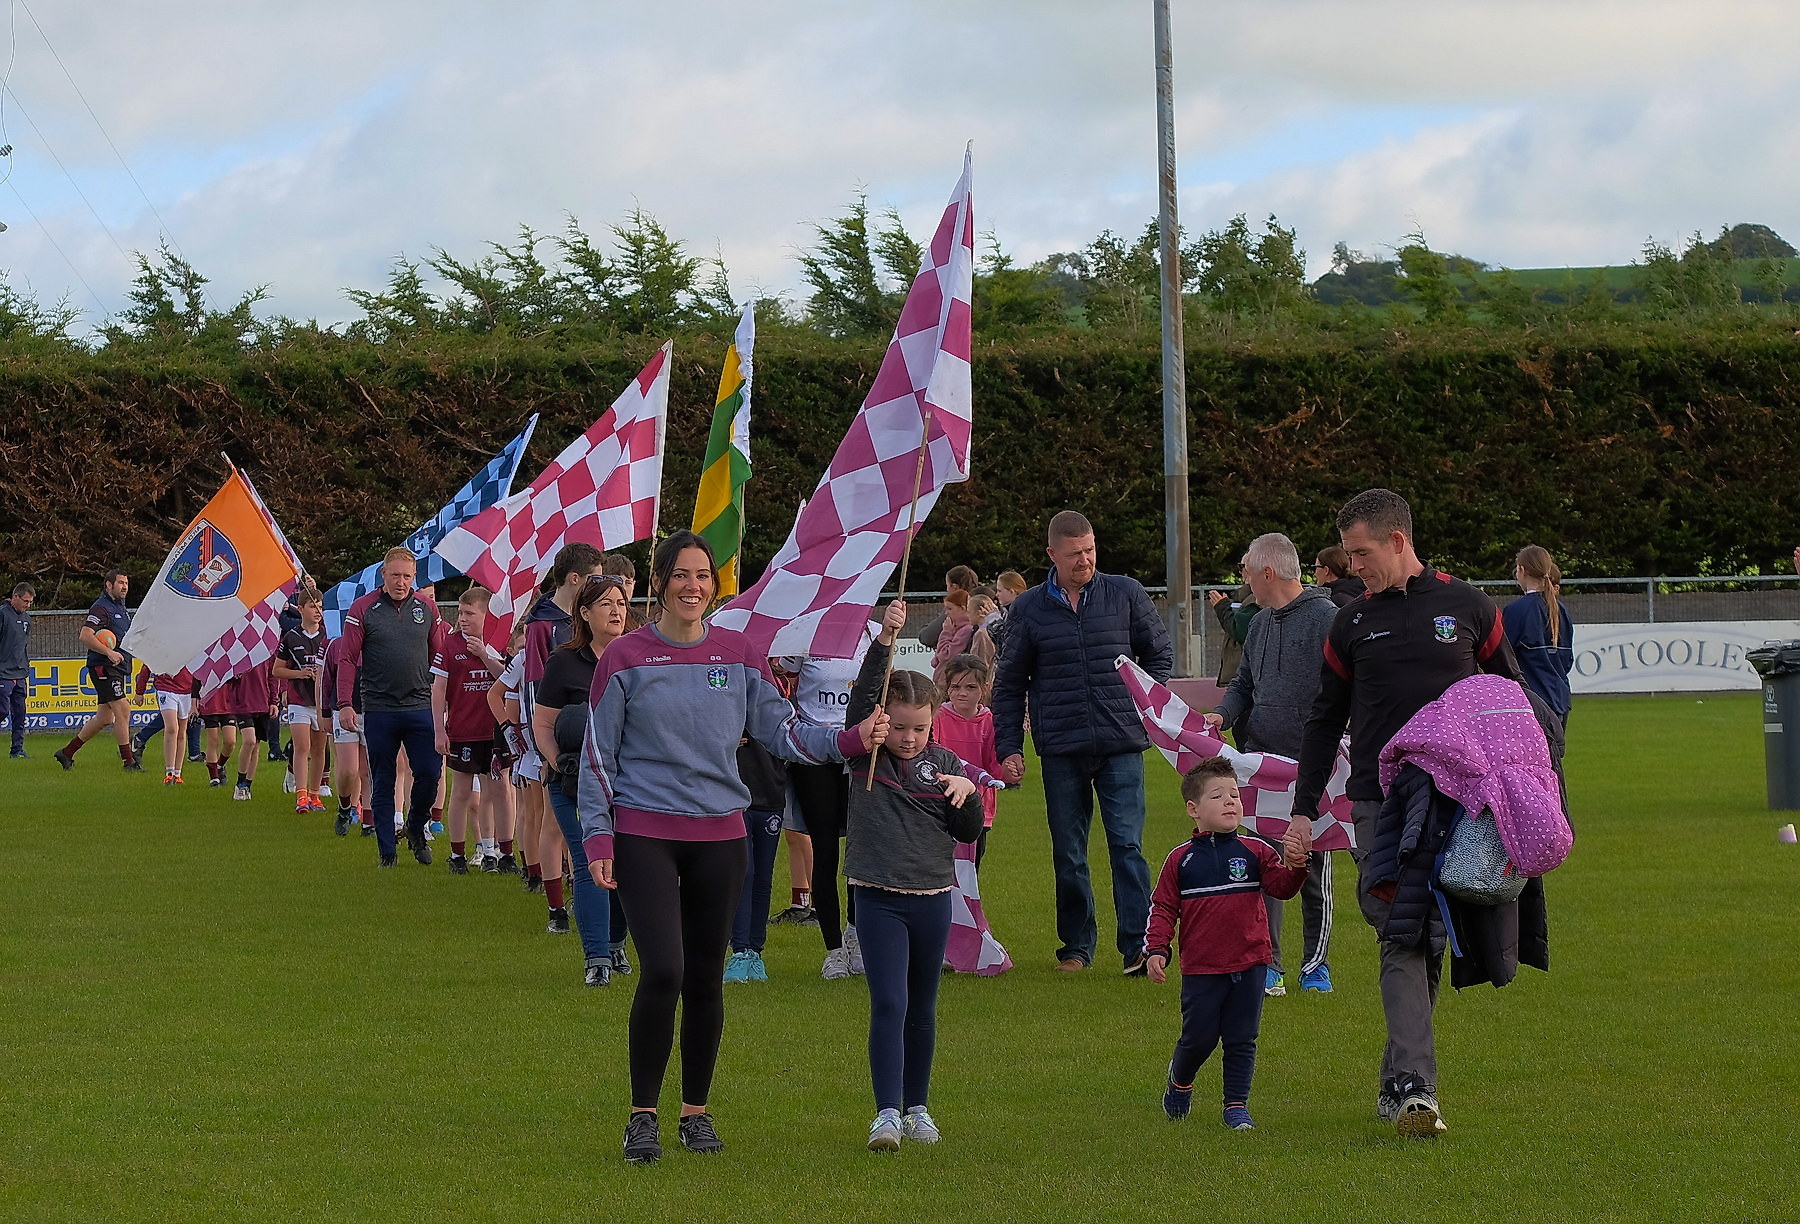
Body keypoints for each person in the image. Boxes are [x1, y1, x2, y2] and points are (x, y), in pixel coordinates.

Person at [577, 530, 889, 1164]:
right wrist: (597, 832)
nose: (693, 586)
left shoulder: (741, 654)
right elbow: (597, 756)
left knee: (705, 978)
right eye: (681, 574)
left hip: (722, 835)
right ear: (659, 582)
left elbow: (785, 734)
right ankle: (642, 1115)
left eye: (703, 576)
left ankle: (695, 1110)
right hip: (644, 833)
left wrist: (851, 741)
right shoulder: (626, 657)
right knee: (663, 970)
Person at [1285, 488, 1526, 1138]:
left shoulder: (1468, 606)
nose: (1352, 564)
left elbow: (1512, 701)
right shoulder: (1351, 623)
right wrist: (1303, 812)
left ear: (1397, 541)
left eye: (1361, 552)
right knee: (1400, 928)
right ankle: (1417, 1087)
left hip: (1459, 800)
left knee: (1430, 937)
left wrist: (1535, 789)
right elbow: (1322, 719)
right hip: (1380, 802)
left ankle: (1400, 1082)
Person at [992, 510, 1173, 974]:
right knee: (1068, 853)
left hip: (1121, 744)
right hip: (1061, 747)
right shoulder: (1028, 608)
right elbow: (1010, 683)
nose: (1085, 560)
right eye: (1075, 554)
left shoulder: (1126, 593)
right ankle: (1076, 947)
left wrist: (1146, 706)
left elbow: (1159, 654)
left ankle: (1138, 947)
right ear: (1052, 554)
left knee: (1127, 847)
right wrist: (1008, 746)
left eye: (1090, 550)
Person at [850, 599, 985, 1153]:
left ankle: (918, 1107)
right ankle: (886, 1114)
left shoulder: (946, 766)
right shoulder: (866, 757)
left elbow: (968, 833)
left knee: (923, 1007)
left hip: (932, 898)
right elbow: (864, 699)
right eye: (900, 727)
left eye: (920, 729)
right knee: (890, 1003)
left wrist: (969, 796)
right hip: (877, 896)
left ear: (934, 724)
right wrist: (884, 641)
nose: (909, 738)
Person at [1204, 533, 1340, 997]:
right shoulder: (1258, 624)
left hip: (1312, 765)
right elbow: (1245, 684)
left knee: (1312, 865)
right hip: (1261, 764)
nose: (1242, 580)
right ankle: (1269, 964)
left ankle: (1315, 964)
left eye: (1245, 571)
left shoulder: (1328, 620)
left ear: (1267, 572)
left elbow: (1349, 688)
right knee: (1263, 865)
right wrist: (1222, 714)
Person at [1144, 757, 1307, 1131]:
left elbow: (1281, 888)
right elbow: (1164, 908)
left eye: (1235, 794)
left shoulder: (1257, 852)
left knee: (1241, 1038)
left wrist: (1296, 867)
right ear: (1193, 809)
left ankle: (1235, 1106)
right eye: (1218, 796)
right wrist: (1157, 949)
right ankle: (1180, 1081)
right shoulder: (1179, 860)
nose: (1231, 801)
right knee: (1198, 1039)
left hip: (1251, 963)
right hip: (1203, 968)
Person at [533, 576, 630, 983]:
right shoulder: (563, 662)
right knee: (591, 856)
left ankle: (616, 944)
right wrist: (557, 762)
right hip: (572, 782)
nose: (615, 611)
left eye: (621, 603)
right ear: (585, 614)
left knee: (626, 862)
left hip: (628, 782)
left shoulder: (637, 658)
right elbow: (542, 723)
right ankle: (597, 961)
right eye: (605, 604)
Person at [779, 617, 883, 980]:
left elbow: (880, 687)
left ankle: (856, 938)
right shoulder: (807, 630)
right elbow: (786, 679)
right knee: (824, 849)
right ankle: (833, 949)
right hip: (814, 751)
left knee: (860, 848)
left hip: (860, 748)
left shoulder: (874, 630)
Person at [335, 548, 442, 868]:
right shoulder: (364, 608)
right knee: (382, 779)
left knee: (430, 773)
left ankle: (416, 827)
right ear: (383, 575)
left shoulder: (428, 608)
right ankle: (387, 852)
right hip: (379, 707)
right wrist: (343, 703)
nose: (401, 582)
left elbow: (441, 658)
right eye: (395, 575)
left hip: (420, 704)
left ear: (415, 578)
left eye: (407, 576)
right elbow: (347, 658)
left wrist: (444, 701)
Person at [433, 587, 507, 875]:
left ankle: (496, 852)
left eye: (469, 613)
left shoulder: (496, 642)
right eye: (461, 613)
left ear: (486, 615)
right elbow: (438, 689)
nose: (462, 618)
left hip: (494, 731)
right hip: (463, 730)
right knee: (462, 792)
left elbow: (509, 678)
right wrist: (440, 729)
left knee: (496, 790)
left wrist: (485, 655)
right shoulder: (449, 645)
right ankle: (457, 854)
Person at [55, 570, 141, 772]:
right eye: (120, 582)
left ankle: (67, 753)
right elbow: (85, 636)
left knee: (105, 718)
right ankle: (128, 762)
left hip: (116, 668)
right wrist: (108, 653)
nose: (124, 586)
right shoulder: (101, 608)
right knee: (123, 710)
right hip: (104, 667)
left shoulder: (119, 607)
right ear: (108, 585)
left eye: (126, 583)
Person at [723, 737, 788, 985]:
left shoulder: (782, 697)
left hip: (771, 793)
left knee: (763, 876)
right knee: (744, 872)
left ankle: (755, 952)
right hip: (735, 794)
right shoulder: (727, 697)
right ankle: (739, 950)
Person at [932, 653, 1003, 865]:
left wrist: (1009, 766)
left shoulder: (991, 722)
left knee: (970, 870)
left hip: (977, 807)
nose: (962, 693)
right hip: (940, 803)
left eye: (970, 687)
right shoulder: (936, 718)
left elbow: (995, 767)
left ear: (984, 688)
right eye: (955, 687)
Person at [1503, 546, 1574, 727]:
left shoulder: (1517, 611)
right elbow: (1567, 660)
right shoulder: (1561, 611)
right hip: (1560, 700)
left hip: (1530, 704)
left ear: (1522, 570)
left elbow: (1502, 658)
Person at [273, 588, 330, 814]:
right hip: (298, 700)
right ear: (300, 609)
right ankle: (301, 795)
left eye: (320, 606)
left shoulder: (328, 635)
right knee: (302, 746)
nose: (318, 611)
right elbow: (277, 670)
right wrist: (301, 673)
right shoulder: (291, 637)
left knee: (319, 748)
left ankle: (315, 795)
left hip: (320, 701)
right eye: (312, 606)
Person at [323, 631, 371, 836]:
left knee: (369, 770)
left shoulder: (379, 642)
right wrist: (325, 712)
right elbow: (326, 679)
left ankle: (369, 822)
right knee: (349, 770)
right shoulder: (336, 645)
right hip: (343, 711)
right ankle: (344, 809)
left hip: (373, 711)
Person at [137, 666, 197, 784]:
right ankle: (169, 773)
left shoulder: (189, 647)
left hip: (187, 690)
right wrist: (140, 690)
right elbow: (148, 665)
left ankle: (177, 774)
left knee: (181, 731)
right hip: (166, 688)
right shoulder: (160, 647)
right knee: (172, 728)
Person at [1, 582, 33, 758]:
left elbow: (22, 646)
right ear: (15, 597)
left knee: (20, 714)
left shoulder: (27, 619)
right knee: (3, 710)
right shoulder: (2, 614)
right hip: (3, 673)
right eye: (25, 601)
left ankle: (17, 750)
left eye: (30, 603)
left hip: (20, 673)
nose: (27, 605)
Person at [916, 565, 979, 650]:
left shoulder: (955, 609)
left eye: (947, 585)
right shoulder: (982, 604)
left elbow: (927, 637)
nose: (947, 590)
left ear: (954, 587)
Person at [1205, 585, 1257, 686]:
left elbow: (1239, 631)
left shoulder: (1255, 601)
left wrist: (1223, 608)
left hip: (1242, 675)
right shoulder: (1248, 598)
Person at [930, 590, 975, 686]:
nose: (946, 613)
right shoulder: (957, 628)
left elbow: (945, 655)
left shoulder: (965, 630)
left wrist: (946, 631)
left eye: (950, 609)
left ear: (963, 608)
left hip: (949, 682)